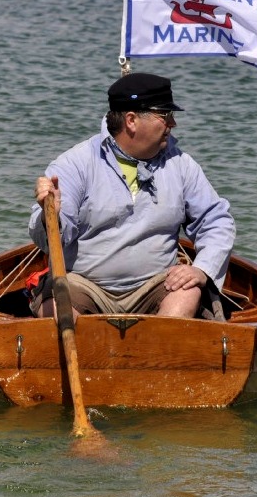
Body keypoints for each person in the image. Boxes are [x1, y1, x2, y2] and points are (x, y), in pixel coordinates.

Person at [28, 72, 235, 319]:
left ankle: (160, 355)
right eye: (165, 115)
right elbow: (47, 241)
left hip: (156, 285)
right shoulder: (74, 165)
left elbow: (217, 222)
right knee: (56, 308)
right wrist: (50, 215)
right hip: (84, 285)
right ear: (131, 120)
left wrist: (201, 270)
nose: (173, 124)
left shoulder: (181, 165)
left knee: (188, 292)